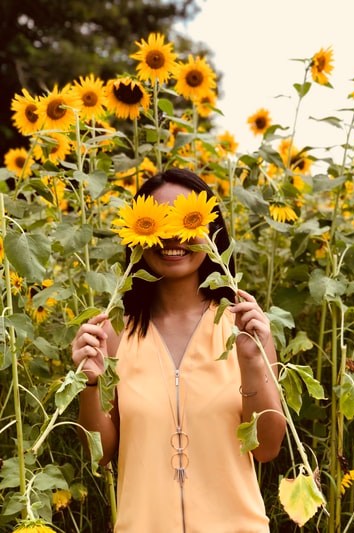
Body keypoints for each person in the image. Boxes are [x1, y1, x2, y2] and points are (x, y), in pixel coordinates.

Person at [72, 168, 286, 532]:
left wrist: (251, 361)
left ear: (211, 233)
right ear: (139, 232)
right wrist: (89, 384)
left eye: (186, 220)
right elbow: (101, 453)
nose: (172, 235)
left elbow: (266, 448)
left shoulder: (243, 326)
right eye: (158, 220)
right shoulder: (113, 333)